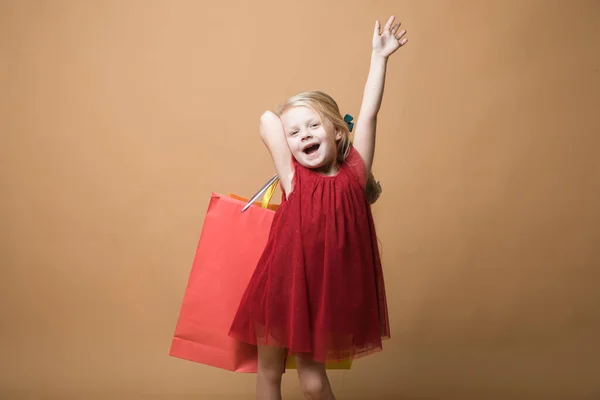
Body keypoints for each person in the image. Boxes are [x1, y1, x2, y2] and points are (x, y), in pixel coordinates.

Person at [229, 15, 408, 400]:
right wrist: (293, 117)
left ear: (338, 132)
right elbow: (267, 120)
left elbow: (370, 113)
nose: (303, 136)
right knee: (269, 373)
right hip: (278, 288)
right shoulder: (293, 178)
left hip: (317, 301)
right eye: (294, 133)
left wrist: (379, 59)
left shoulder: (355, 175)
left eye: (313, 127)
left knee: (311, 381)